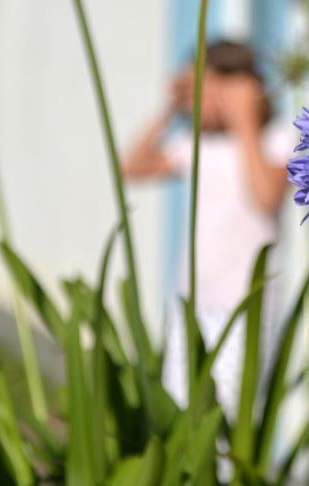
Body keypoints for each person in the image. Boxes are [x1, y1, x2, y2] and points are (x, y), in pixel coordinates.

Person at [123, 39, 294, 413]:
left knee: (225, 418)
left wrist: (245, 122)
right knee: (179, 410)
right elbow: (131, 167)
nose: (196, 100)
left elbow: (266, 196)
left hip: (245, 310)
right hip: (191, 302)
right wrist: (169, 108)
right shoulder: (195, 143)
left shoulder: (276, 140)